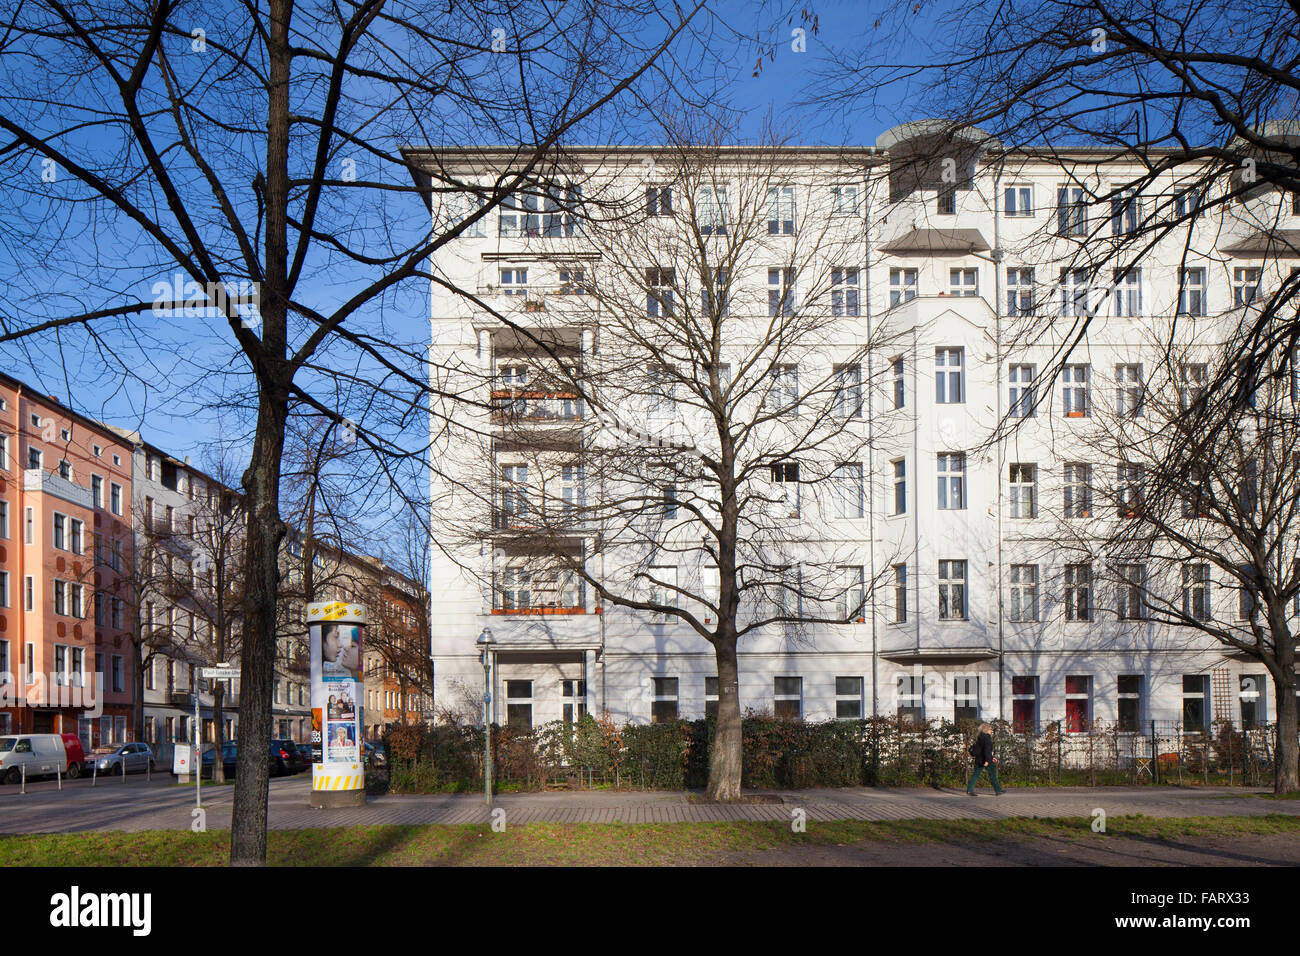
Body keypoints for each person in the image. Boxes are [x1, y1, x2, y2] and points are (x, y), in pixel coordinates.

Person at [966, 723, 1004, 795]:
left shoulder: (980, 737)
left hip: (979, 759)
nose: (992, 731)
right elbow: (987, 751)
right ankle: (998, 790)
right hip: (986, 760)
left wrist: (992, 758)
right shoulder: (987, 739)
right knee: (992, 775)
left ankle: (970, 790)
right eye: (990, 729)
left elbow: (981, 750)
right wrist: (987, 760)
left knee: (975, 774)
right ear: (986, 730)